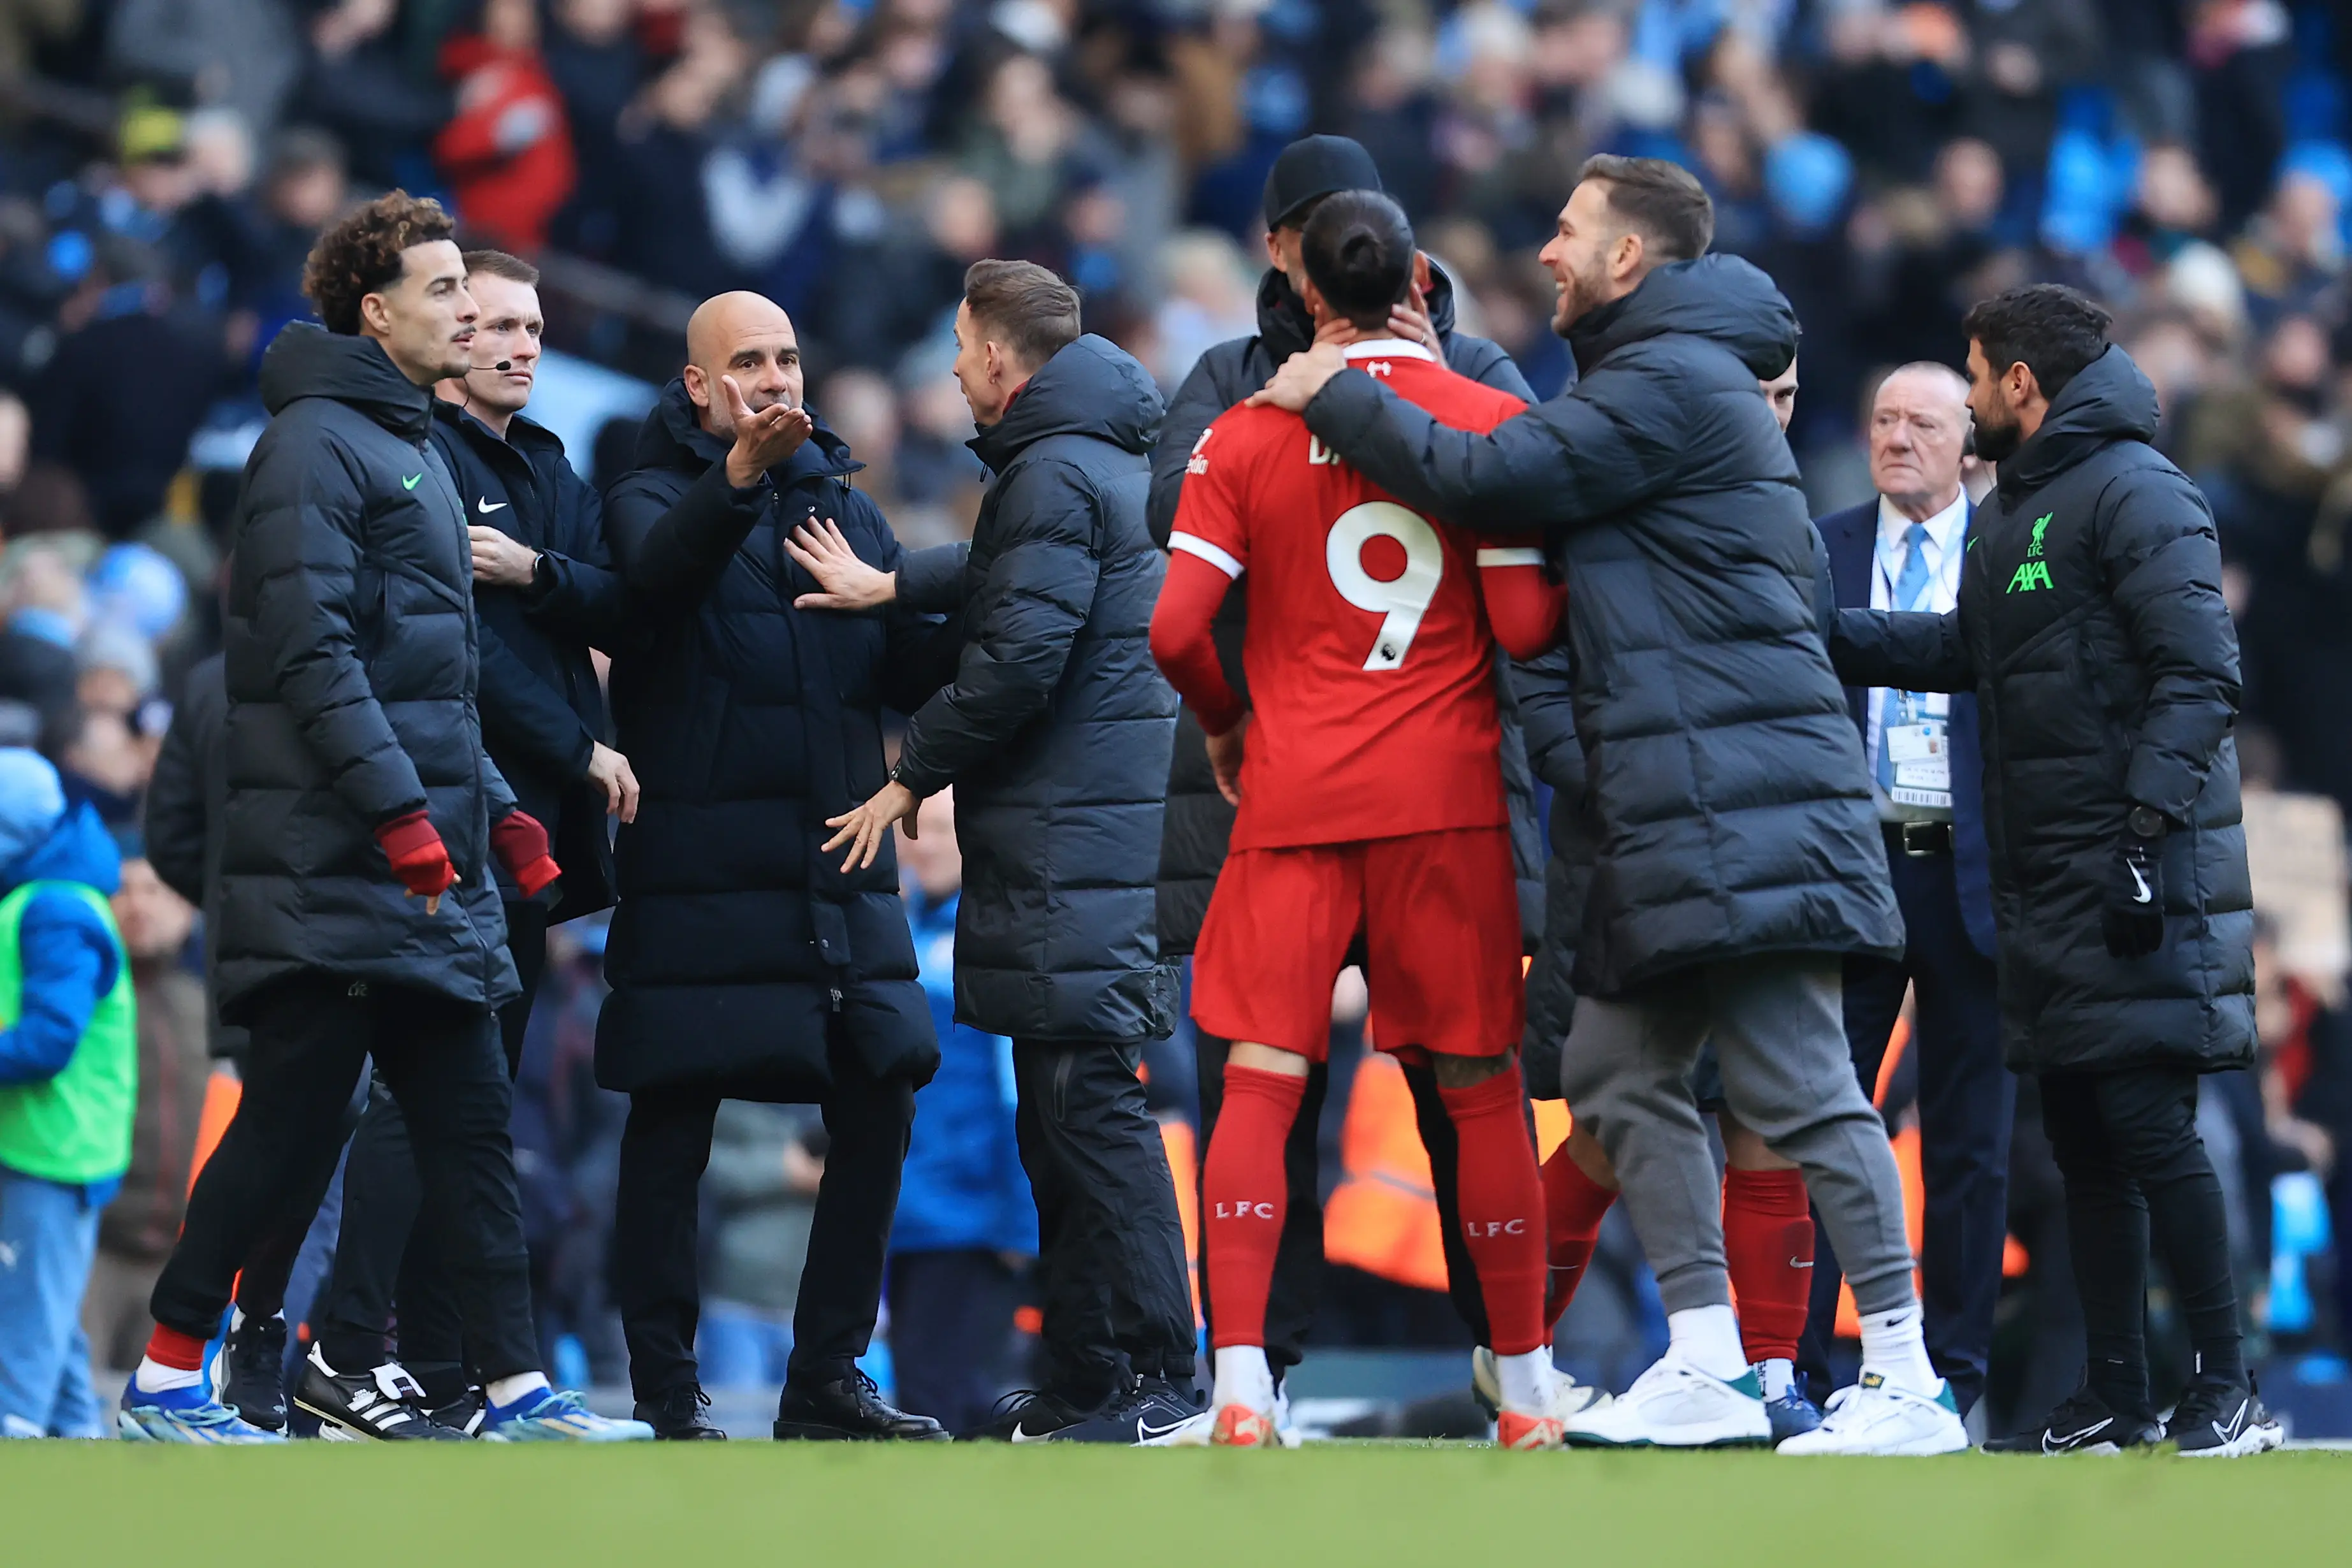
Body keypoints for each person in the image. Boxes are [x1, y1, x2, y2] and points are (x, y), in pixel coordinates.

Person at [1254, 155, 1964, 1456]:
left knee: (1802, 1085)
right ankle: (1708, 1356)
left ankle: (1909, 1381)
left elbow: (1499, 479)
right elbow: (1531, 456)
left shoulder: (1676, 383)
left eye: (1569, 231)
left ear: (1629, 259)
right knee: (1614, 1070)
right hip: (1682, 799)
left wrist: (1339, 393)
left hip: (1741, 795)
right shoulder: (1662, 381)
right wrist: (1446, 377)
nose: (1548, 253)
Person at [120, 192, 648, 1444]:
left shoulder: (401, 448)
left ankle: (518, 1391)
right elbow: (316, 659)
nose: (469, 310)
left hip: (417, 865)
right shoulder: (313, 447)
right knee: (289, 1127)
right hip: (339, 862)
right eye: (447, 290)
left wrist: (504, 815)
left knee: (470, 1130)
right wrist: (410, 818)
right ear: (380, 311)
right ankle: (163, 1377)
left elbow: (428, 684)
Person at [1143, 134, 1555, 1430]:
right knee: (1482, 1085)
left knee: (1260, 1083)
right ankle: (1530, 1388)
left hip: (1295, 791)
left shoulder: (1241, 431)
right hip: (1448, 801)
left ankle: (1245, 1388)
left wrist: (1225, 725)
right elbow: (1530, 628)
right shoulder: (1491, 414)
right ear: (1421, 284)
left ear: (1303, 289)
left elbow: (1169, 632)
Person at [1829, 284, 2281, 1457]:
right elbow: (1966, 652)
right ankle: (2120, 1394)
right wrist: (1819, 627)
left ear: (2021, 383)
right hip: (2051, 876)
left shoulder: (2139, 491)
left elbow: (2202, 675)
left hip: (2130, 872)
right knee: (2083, 1134)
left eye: (1975, 376)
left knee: (2147, 1121)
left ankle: (2224, 1387)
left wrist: (2141, 837)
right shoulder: (2026, 505)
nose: (1967, 398)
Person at [814, 261, 1196, 1445]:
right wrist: (895, 584)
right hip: (1087, 829)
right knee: (1059, 1114)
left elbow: (1020, 659)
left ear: (997, 355)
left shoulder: (1051, 471)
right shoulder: (1089, 458)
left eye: (961, 346)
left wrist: (906, 773)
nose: (952, 371)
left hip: (1074, 833)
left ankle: (1161, 1379)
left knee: (1088, 1109)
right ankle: (1089, 1375)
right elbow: (1010, 582)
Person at [298, 247, 639, 1437]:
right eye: (494, 323)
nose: (520, 345)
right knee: (432, 1090)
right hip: (457, 815)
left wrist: (539, 569)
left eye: (534, 326)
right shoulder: (420, 461)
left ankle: (438, 1366)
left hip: (530, 831)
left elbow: (615, 599)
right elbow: (458, 666)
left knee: (470, 1100)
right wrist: (576, 750)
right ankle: (344, 1348)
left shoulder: (545, 463)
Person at [598, 289, 947, 1443]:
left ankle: (827, 1380)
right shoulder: (649, 495)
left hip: (834, 881)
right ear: (699, 387)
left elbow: (908, 675)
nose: (775, 378)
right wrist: (739, 476)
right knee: (672, 1122)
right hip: (698, 871)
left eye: (789, 357)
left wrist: (919, 592)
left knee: (881, 1097)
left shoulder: (843, 508)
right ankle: (666, 1389)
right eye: (747, 361)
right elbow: (649, 593)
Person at [1515, 354, 1827, 1446]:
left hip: (1761, 849)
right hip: (1630, 852)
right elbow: (1537, 681)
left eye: (1786, 400)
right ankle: (1518, 1363)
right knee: (1612, 1121)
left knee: (1764, 1114)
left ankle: (1771, 1375)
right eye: (1758, 397)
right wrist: (1631, 779)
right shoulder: (1605, 516)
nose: (1769, 418)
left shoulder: (1796, 531)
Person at [1803, 361, 2011, 1421]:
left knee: (1973, 1138)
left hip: (1971, 868)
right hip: (1854, 863)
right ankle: (1795, 1370)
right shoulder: (1821, 546)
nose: (1897, 438)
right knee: (1827, 1113)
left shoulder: (2018, 551)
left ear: (1968, 440)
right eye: (1882, 418)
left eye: (1923, 422)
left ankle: (1950, 1382)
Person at [887, 788, 1037, 1435]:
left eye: (945, 827)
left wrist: (1019, 1221)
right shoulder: (901, 931)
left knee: (953, 1397)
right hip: (906, 1214)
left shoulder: (994, 940)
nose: (927, 843)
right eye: (917, 828)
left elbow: (1016, 1089)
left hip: (971, 1218)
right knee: (924, 1393)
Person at [0, 750, 128, 1439]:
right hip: (41, 1146)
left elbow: (51, 1038)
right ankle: (96, 1501)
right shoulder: (48, 894)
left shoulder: (54, 907)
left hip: (49, 1152)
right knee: (53, 1347)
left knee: (16, 1365)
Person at [80, 852, 207, 1375]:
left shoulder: (210, 1007)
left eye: (156, 891)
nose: (138, 905)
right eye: (123, 890)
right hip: (92, 1246)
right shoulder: (78, 1001)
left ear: (187, 911)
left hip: (181, 1259)